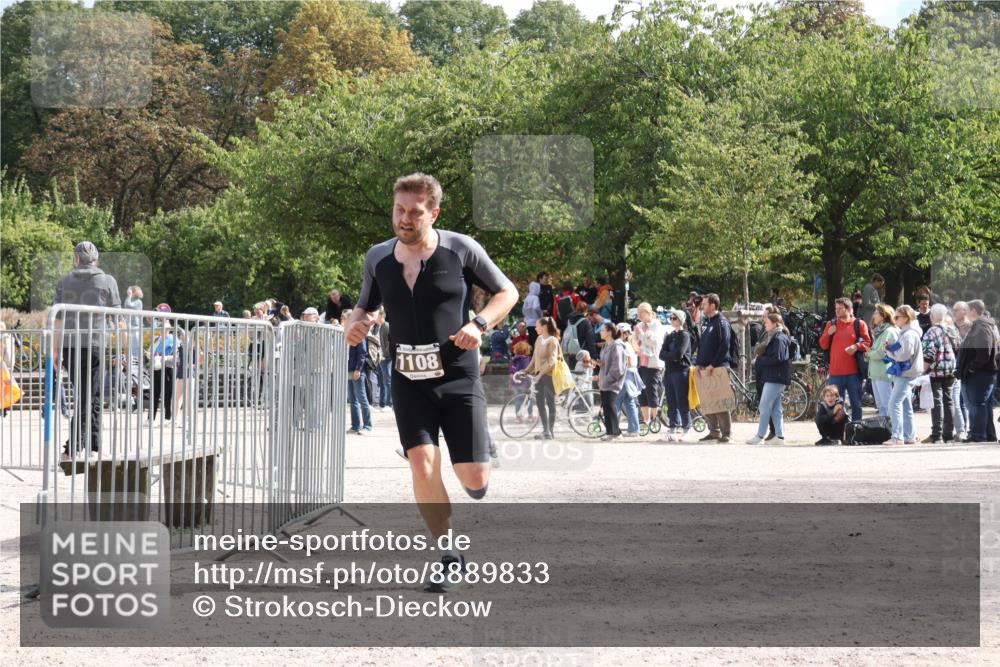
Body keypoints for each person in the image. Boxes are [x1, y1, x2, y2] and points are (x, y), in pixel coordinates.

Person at [345, 172, 517, 592]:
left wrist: (479, 323)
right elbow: (364, 305)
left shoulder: (461, 249)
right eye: (399, 210)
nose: (405, 219)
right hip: (407, 377)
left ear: (433, 213)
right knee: (422, 463)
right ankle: (450, 556)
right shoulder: (378, 257)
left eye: (415, 212)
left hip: (458, 374)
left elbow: (507, 293)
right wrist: (356, 322)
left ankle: (478, 452)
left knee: (474, 481)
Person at [53, 242, 121, 461]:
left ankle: (94, 444)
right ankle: (71, 448)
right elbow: (118, 319)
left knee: (92, 394)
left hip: (70, 346)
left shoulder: (64, 281)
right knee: (88, 395)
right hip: (95, 345)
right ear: (96, 259)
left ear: (76, 259)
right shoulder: (108, 281)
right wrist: (123, 349)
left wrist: (55, 350)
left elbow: (57, 320)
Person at [818, 297, 872, 422]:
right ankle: (839, 433)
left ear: (849, 309)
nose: (837, 311)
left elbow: (868, 342)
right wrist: (828, 334)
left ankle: (856, 431)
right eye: (836, 308)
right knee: (836, 406)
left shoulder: (859, 324)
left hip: (854, 373)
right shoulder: (830, 324)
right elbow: (823, 345)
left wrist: (856, 346)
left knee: (856, 405)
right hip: (835, 373)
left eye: (840, 308)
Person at [955, 299, 998, 443]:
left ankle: (978, 435)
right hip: (982, 373)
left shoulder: (981, 326)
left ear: (973, 310)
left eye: (967, 309)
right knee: (982, 405)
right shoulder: (981, 326)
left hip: (980, 374)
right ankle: (987, 435)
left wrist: (972, 368)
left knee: (977, 405)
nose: (965, 313)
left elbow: (984, 352)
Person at [746, 313, 790, 445]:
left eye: (767, 322)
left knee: (764, 406)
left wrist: (760, 360)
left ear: (775, 324)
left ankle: (760, 435)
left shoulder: (779, 338)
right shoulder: (775, 337)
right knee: (776, 408)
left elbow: (778, 358)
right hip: (774, 376)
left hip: (776, 377)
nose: (764, 324)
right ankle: (779, 437)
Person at [884, 305, 925, 445]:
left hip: (906, 374)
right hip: (908, 373)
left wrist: (889, 352)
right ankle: (909, 436)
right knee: (906, 405)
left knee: (894, 403)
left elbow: (903, 356)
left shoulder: (909, 334)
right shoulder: (908, 333)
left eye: (897, 317)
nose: (894, 319)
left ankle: (897, 436)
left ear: (906, 318)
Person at [696, 293, 733, 443]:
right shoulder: (707, 322)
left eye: (704, 304)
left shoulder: (722, 322)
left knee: (720, 401)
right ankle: (714, 431)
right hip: (705, 368)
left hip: (718, 367)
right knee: (707, 400)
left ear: (712, 305)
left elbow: (725, 345)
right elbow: (702, 345)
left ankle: (727, 433)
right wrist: (699, 363)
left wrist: (713, 364)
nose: (702, 307)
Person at [922, 304, 960, 443]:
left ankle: (936, 435)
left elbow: (928, 353)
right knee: (949, 401)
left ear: (932, 316)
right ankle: (948, 435)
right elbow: (958, 349)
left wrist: (923, 370)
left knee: (937, 402)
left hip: (936, 370)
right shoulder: (952, 330)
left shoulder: (932, 331)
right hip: (951, 370)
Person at [520, 317, 560, 440]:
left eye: (537, 325)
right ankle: (545, 430)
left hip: (548, 376)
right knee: (540, 404)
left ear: (544, 326)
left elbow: (552, 362)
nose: (535, 328)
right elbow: (534, 359)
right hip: (538, 376)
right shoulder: (539, 339)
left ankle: (550, 431)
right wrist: (526, 371)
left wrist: (540, 375)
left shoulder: (553, 341)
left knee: (551, 404)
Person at [659, 308, 692, 442]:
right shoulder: (670, 336)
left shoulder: (685, 335)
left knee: (682, 400)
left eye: (674, 318)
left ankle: (687, 428)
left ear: (681, 320)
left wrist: (670, 356)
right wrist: (671, 357)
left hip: (681, 371)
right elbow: (661, 354)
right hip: (670, 371)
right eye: (671, 318)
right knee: (671, 401)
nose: (671, 320)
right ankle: (673, 427)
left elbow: (680, 354)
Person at [633, 302, 665, 427]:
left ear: (648, 312)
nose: (640, 315)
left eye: (642, 312)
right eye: (638, 313)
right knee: (641, 392)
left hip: (652, 363)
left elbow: (655, 343)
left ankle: (654, 420)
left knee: (651, 391)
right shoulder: (640, 325)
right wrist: (634, 337)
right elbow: (635, 341)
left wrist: (641, 334)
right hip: (640, 363)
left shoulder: (656, 325)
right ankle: (646, 420)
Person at [865, 304, 899, 418]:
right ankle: (886, 432)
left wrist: (868, 353)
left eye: (876, 313)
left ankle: (893, 431)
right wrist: (870, 352)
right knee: (881, 406)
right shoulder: (881, 331)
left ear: (883, 316)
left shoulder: (889, 331)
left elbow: (881, 353)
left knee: (887, 405)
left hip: (884, 373)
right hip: (876, 373)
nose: (873, 315)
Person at [596, 321, 627, 440]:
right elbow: (605, 363)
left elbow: (617, 368)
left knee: (610, 405)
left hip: (612, 382)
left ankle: (616, 433)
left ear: (609, 332)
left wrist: (607, 379)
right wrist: (597, 363)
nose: (600, 332)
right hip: (604, 382)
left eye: (603, 330)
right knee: (607, 407)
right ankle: (610, 432)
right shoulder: (606, 345)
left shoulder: (617, 346)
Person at [615, 323, 643, 437]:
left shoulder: (623, 345)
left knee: (616, 402)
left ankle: (613, 430)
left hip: (625, 376)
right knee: (629, 402)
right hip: (631, 375)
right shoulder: (628, 344)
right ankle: (634, 429)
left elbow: (629, 362)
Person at [347, 332, 372, 435]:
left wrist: (358, 369)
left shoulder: (358, 334)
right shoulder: (345, 335)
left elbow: (362, 353)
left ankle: (367, 426)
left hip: (357, 371)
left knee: (362, 398)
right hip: (348, 370)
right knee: (352, 400)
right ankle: (355, 426)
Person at [508, 341, 533, 421]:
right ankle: (530, 415)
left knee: (518, 400)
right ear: (526, 350)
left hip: (516, 383)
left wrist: (510, 384)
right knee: (529, 399)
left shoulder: (513, 360)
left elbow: (511, 373)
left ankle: (518, 416)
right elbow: (529, 371)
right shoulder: (527, 359)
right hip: (526, 384)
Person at [522, 282, 542, 347]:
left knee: (531, 339)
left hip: (529, 322)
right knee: (536, 340)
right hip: (536, 322)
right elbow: (536, 307)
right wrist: (540, 314)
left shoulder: (527, 298)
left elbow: (524, 310)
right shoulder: (535, 298)